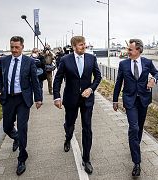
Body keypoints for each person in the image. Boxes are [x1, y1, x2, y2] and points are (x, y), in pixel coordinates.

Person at [53, 36, 101, 175]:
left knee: (87, 128)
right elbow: (58, 79)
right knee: (70, 123)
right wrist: (57, 97)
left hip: (87, 99)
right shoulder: (65, 60)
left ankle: (86, 159)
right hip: (70, 99)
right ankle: (68, 137)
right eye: (81, 45)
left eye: (84, 44)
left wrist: (91, 88)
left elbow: (98, 77)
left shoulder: (91, 59)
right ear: (74, 47)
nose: (84, 46)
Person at [112, 39, 158, 177]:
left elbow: (156, 73)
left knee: (139, 127)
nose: (128, 51)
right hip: (130, 100)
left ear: (138, 50)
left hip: (143, 100)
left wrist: (153, 80)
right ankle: (137, 162)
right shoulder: (123, 64)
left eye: (130, 49)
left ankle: (134, 145)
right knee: (134, 127)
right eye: (128, 49)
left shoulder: (147, 63)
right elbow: (118, 82)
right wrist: (115, 100)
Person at [0, 36, 42, 175]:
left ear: (22, 47)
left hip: (23, 100)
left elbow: (35, 80)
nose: (14, 50)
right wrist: (2, 91)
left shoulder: (29, 62)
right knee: (6, 127)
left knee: (23, 128)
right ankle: (15, 137)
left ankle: (22, 158)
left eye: (17, 47)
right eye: (12, 47)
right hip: (8, 99)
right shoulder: (4, 60)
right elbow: (1, 77)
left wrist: (38, 98)